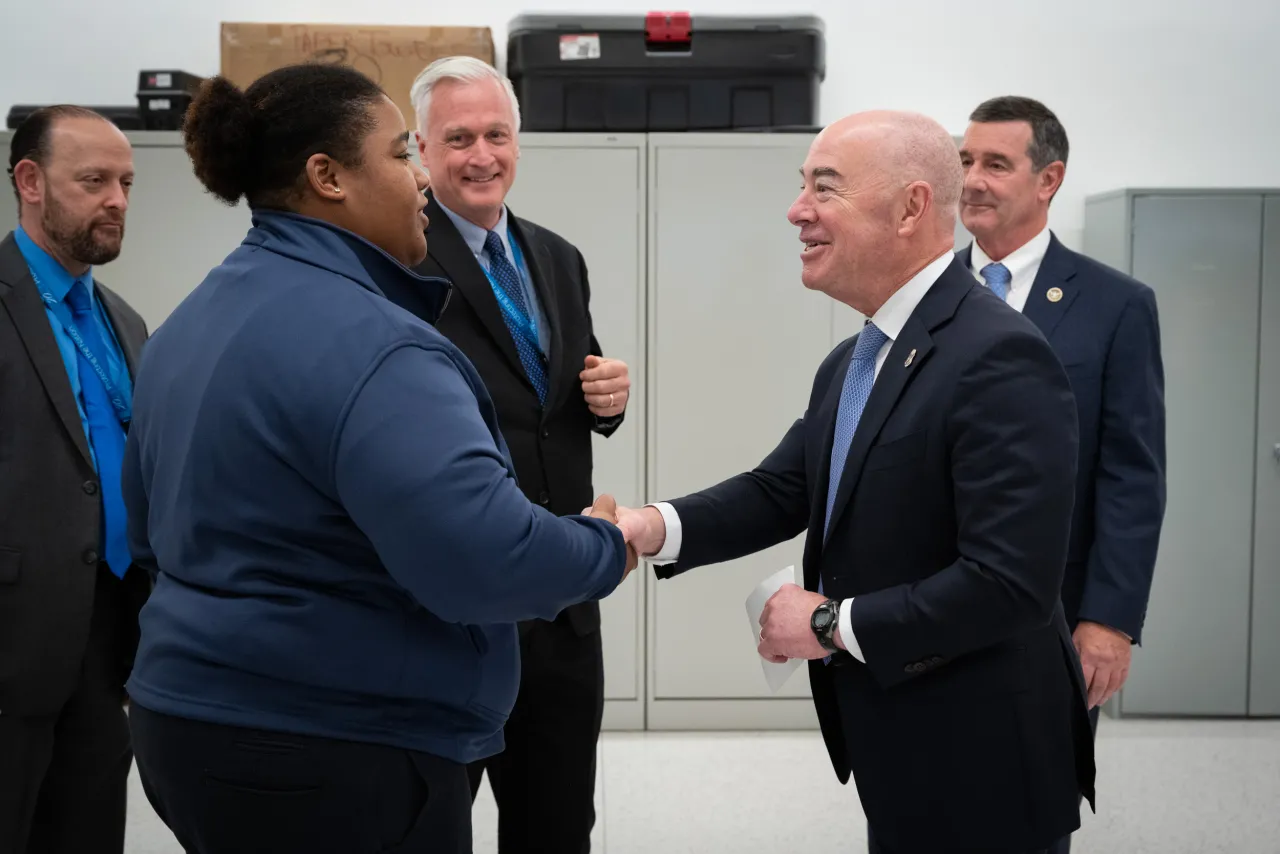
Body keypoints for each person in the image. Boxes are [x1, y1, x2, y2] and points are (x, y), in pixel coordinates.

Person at [119, 64, 635, 854]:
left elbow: (151, 534)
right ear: (327, 177)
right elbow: (483, 557)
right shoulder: (378, 342)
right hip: (334, 744)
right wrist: (608, 543)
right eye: (404, 154)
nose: (421, 179)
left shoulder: (188, 323)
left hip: (187, 724)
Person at [615, 110, 1097, 854]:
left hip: (983, 759)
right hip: (901, 742)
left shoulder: (999, 357)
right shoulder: (856, 359)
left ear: (910, 207)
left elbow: (1010, 584)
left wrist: (825, 624)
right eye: (801, 185)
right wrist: (651, 526)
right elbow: (784, 488)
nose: (796, 209)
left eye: (825, 188)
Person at [389, 55, 632, 853]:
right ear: (421, 150)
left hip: (560, 600)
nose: (481, 155)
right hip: (448, 607)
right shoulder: (399, 261)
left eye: (497, 133)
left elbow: (560, 393)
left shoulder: (556, 257)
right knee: (430, 825)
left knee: (557, 824)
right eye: (458, 138)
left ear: (519, 143)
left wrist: (608, 400)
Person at [958, 94, 1166, 854]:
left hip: (1052, 616)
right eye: (965, 162)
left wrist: (1109, 619)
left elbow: (1132, 475)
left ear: (1049, 179)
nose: (972, 180)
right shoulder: (919, 290)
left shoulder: (1115, 305)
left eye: (995, 164)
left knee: (1031, 814)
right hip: (924, 609)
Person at [0, 106, 150, 854]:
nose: (117, 200)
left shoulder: (125, 321)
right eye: (93, 181)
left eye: (125, 181)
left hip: (107, 640)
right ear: (30, 182)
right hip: (11, 641)